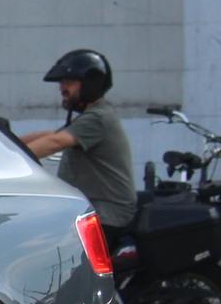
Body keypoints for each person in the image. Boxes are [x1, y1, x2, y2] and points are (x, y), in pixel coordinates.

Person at [19, 48, 135, 232]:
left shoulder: (99, 118)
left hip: (106, 216)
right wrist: (2, 143)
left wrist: (10, 160)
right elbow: (51, 136)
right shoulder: (89, 119)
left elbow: (55, 143)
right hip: (92, 213)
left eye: (68, 82)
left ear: (91, 84)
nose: (62, 88)